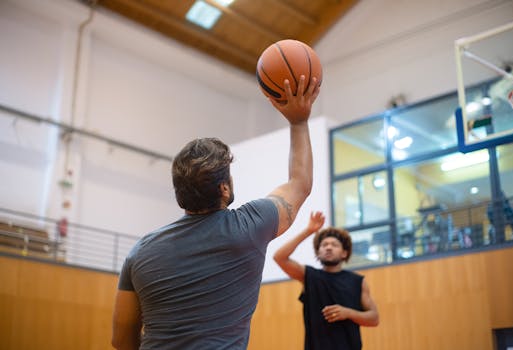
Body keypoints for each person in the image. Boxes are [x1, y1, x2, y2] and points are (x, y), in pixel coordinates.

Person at [111, 75, 320, 350]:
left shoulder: (140, 252)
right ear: (223, 188)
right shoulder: (250, 226)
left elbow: (121, 341)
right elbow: (300, 184)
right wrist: (298, 121)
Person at [273, 211, 379, 350]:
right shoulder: (309, 276)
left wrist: (348, 313)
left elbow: (374, 318)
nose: (328, 247)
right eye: (324, 245)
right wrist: (308, 231)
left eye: (334, 245)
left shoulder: (357, 281)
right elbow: (279, 257)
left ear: (344, 253)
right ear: (318, 252)